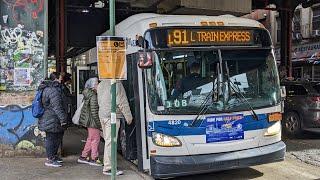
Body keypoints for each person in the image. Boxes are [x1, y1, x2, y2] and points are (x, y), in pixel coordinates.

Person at [97, 80, 133, 175]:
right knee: (111, 142)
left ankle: (108, 164)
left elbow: (99, 100)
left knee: (108, 141)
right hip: (112, 117)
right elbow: (122, 102)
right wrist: (129, 118)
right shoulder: (117, 84)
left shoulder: (101, 83)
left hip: (102, 115)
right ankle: (108, 168)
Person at [38, 72, 67, 167]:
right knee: (51, 138)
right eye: (60, 78)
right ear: (55, 79)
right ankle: (50, 159)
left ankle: (53, 156)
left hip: (52, 118)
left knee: (56, 137)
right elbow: (57, 106)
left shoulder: (48, 88)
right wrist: (63, 119)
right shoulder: (52, 90)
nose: (61, 80)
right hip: (52, 118)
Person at [77, 77, 103, 166]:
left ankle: (83, 156)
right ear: (92, 86)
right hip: (92, 121)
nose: (98, 85)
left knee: (90, 139)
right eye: (96, 84)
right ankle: (94, 158)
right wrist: (99, 124)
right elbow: (95, 112)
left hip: (89, 120)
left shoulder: (88, 94)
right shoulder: (93, 96)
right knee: (95, 139)